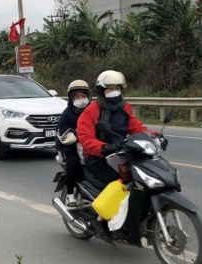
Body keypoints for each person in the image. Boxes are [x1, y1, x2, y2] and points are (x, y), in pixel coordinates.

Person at [77, 70, 159, 246]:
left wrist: (154, 136)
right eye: (109, 89)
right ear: (101, 91)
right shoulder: (91, 111)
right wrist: (103, 147)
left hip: (122, 154)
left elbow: (136, 128)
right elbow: (85, 138)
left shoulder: (124, 107)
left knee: (141, 181)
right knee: (119, 185)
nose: (114, 91)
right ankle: (100, 222)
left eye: (117, 88)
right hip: (97, 157)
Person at [55, 80, 92, 210]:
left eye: (83, 96)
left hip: (89, 143)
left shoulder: (93, 111)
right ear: (71, 98)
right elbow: (63, 134)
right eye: (77, 97)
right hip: (69, 145)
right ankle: (70, 194)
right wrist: (80, 133)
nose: (81, 99)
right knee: (73, 164)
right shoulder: (67, 114)